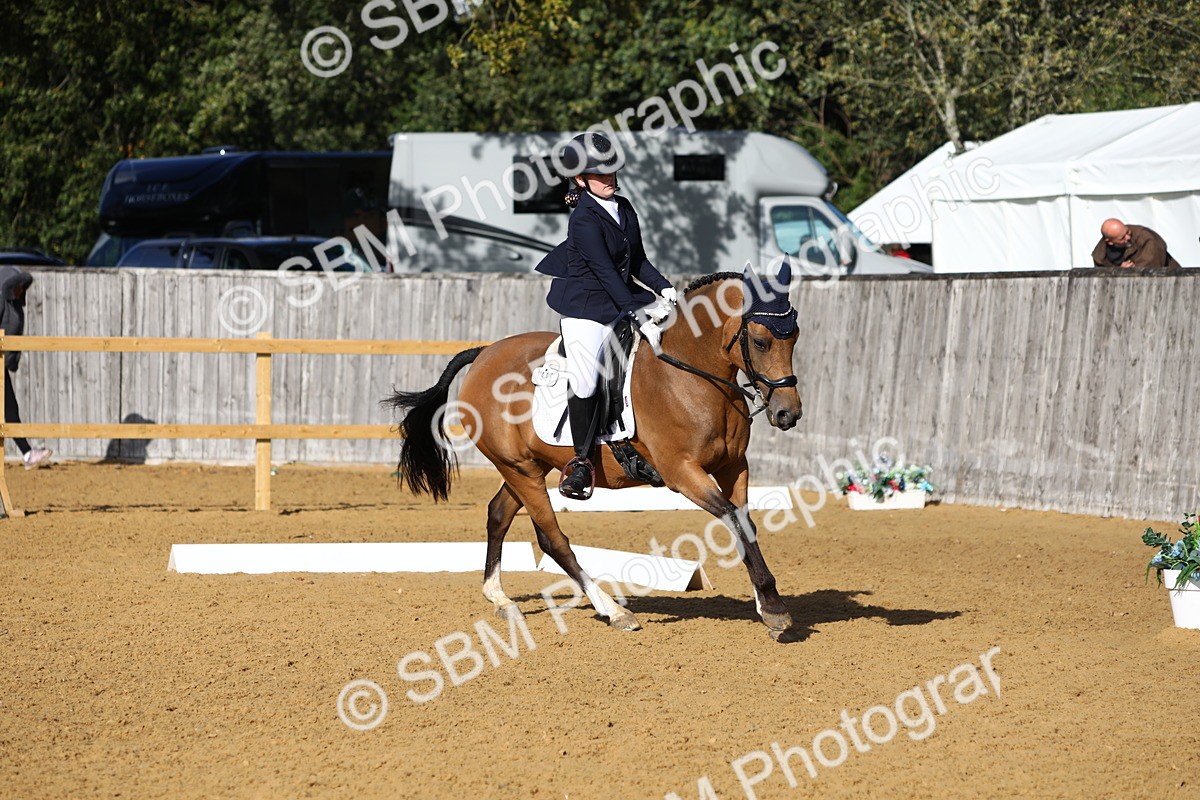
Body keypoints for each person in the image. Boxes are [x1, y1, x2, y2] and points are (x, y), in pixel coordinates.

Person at [535, 132, 676, 500]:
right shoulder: (582, 220)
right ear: (580, 180)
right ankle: (580, 462)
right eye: (600, 174)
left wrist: (664, 288)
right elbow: (606, 273)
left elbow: (638, 261)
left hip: (623, 297)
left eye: (613, 170)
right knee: (585, 379)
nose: (610, 177)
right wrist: (636, 313)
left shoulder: (624, 207)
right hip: (587, 309)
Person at [0, 266, 52, 469]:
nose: (22, 290)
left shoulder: (14, 306)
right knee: (10, 409)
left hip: (1, 365)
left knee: (11, 409)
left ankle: (28, 454)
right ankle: (28, 454)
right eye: (19, 285)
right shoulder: (2, 303)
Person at [1091, 218, 1180, 270]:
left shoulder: (1146, 238)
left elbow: (1150, 268)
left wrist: (1125, 273)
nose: (1128, 237)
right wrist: (1117, 269)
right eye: (1122, 238)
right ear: (1110, 242)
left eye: (1127, 232)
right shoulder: (1101, 255)